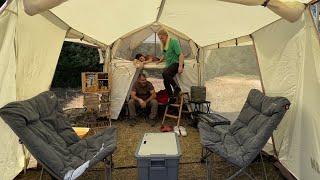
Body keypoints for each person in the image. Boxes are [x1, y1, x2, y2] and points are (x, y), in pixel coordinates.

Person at [157, 29, 184, 104]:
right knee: (165, 81)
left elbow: (181, 54)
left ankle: (176, 88)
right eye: (159, 38)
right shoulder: (164, 44)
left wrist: (180, 66)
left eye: (162, 38)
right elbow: (165, 54)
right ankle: (171, 97)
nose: (161, 40)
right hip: (169, 65)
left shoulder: (173, 41)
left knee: (165, 74)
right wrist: (160, 60)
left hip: (176, 63)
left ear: (166, 36)